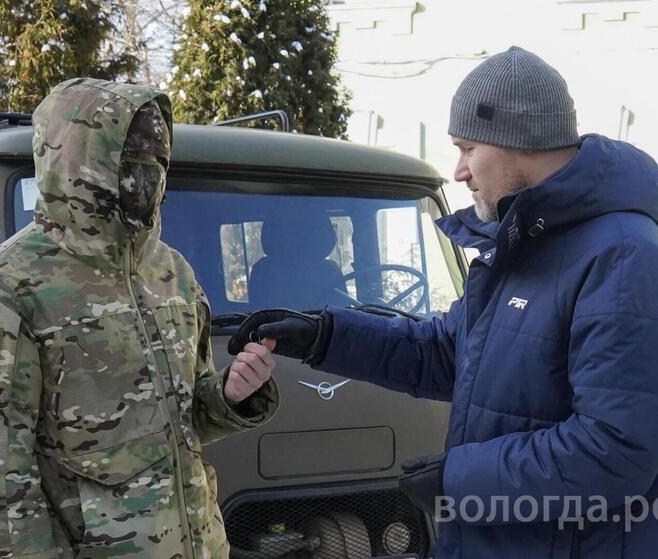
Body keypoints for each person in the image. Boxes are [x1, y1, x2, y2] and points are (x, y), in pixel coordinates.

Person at [229, 46, 658, 558]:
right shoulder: (525, 241)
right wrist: (327, 334)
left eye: (468, 148)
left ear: (514, 139)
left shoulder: (623, 256)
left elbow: (616, 449)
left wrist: (459, 475)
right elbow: (446, 352)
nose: (459, 171)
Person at [0, 78, 279, 559]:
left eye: (157, 162)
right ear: (78, 163)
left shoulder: (172, 274)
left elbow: (185, 421)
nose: (147, 178)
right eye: (128, 161)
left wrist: (230, 395)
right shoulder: (2, 288)